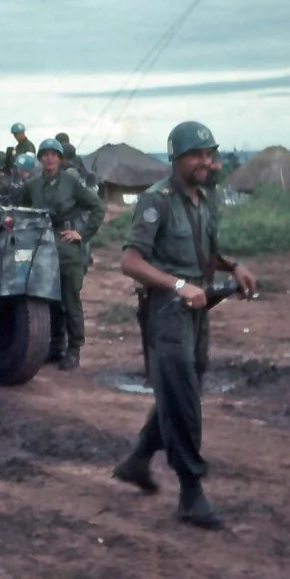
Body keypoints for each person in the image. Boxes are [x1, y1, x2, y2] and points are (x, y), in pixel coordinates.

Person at [112, 120, 257, 530]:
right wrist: (178, 285)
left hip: (198, 308)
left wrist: (234, 265)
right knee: (185, 400)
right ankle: (191, 493)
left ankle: (138, 460)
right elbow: (130, 261)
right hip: (166, 311)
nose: (205, 162)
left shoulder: (204, 200)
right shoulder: (156, 200)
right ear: (176, 158)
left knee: (181, 388)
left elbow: (206, 249)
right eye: (197, 155)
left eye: (209, 155)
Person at [15, 138, 105, 370]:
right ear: (40, 158)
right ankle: (55, 347)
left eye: (53, 155)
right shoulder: (33, 184)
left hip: (67, 247)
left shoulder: (71, 182)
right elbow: (20, 209)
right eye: (45, 155)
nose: (49, 158)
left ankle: (74, 349)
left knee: (70, 299)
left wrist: (81, 233)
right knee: (48, 298)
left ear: (60, 158)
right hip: (42, 244)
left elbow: (97, 207)